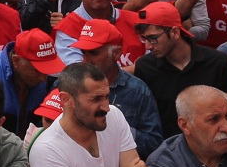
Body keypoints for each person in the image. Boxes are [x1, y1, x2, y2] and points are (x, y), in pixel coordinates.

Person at [131, 0, 227, 137]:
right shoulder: (145, 68)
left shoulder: (218, 62)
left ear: (175, 33)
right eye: (144, 39)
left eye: (153, 38)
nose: (148, 46)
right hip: (169, 151)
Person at [70, 17, 163, 157]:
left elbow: (154, 144)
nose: (86, 60)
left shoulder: (137, 90)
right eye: (84, 52)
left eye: (94, 53)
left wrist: (117, 128)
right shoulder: (68, 85)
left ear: (117, 53)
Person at [0, 28, 65, 135]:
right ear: (16, 60)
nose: (43, 78)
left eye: (47, 70)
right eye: (37, 70)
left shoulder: (39, 78)